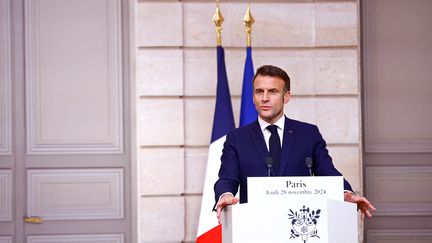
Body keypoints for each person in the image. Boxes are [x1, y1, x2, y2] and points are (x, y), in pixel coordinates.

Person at [214, 65, 375, 223]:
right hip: (255, 224)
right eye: (259, 91)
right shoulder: (237, 138)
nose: (264, 98)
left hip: (298, 224)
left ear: (286, 97)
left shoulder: (308, 134)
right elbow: (227, 178)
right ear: (253, 96)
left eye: (272, 91)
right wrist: (225, 195)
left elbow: (327, 171)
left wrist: (345, 192)